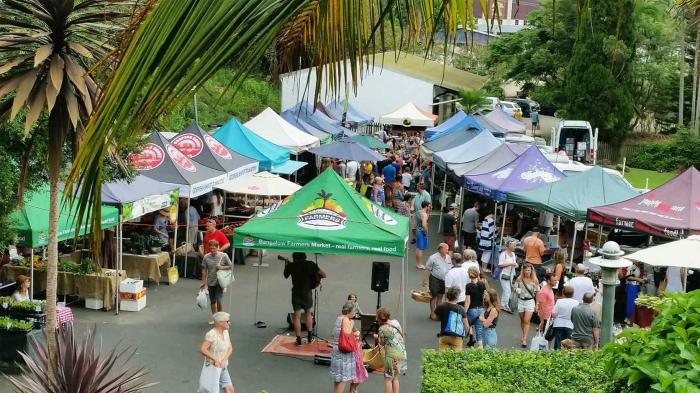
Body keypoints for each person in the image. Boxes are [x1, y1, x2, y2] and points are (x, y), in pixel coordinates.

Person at [283, 252, 327, 345]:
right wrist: (316, 279)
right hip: (307, 292)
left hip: (296, 293)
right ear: (304, 256)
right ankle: (310, 337)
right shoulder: (310, 264)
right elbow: (324, 274)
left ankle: (298, 339)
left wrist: (286, 264)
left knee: (297, 316)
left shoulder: (291, 265)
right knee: (308, 314)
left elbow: (285, 275)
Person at [330, 302, 364, 393]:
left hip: (336, 349)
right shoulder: (346, 320)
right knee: (343, 378)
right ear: (348, 311)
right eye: (353, 311)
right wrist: (352, 324)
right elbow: (347, 333)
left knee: (338, 378)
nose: (354, 313)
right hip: (343, 351)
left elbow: (333, 333)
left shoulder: (339, 318)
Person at [198, 311, 234, 393]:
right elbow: (202, 349)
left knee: (229, 390)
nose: (229, 323)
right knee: (212, 391)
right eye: (227, 321)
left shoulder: (226, 332)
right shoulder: (211, 334)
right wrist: (215, 359)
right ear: (220, 322)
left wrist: (224, 359)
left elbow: (230, 348)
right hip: (213, 367)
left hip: (223, 367)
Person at [200, 240, 233, 324]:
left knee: (219, 300)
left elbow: (231, 266)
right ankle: (215, 318)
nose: (212, 250)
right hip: (211, 282)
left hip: (220, 282)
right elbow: (204, 270)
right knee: (212, 301)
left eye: (214, 248)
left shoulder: (224, 255)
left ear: (218, 247)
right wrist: (203, 282)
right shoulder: (206, 257)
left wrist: (221, 267)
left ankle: (221, 319)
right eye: (211, 248)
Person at [377, 307, 406, 393]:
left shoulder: (382, 329)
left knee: (388, 379)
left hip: (391, 356)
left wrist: (376, 338)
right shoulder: (396, 323)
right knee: (395, 378)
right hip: (401, 353)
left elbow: (381, 343)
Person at [431, 286, 469, 351]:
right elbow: (466, 325)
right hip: (456, 336)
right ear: (457, 297)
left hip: (444, 335)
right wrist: (467, 334)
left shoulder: (441, 306)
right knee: (456, 358)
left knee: (442, 357)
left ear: (447, 296)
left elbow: (435, 317)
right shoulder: (461, 309)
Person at [422, 243, 452, 315]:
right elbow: (427, 269)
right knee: (433, 296)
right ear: (441, 249)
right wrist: (424, 281)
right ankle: (432, 313)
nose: (447, 251)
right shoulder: (433, 258)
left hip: (444, 280)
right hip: (435, 279)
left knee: (440, 297)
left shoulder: (448, 257)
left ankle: (438, 312)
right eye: (446, 249)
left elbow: (450, 267)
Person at [514, 264, 539, 347]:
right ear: (523, 271)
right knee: (522, 320)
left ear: (531, 271)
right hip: (521, 301)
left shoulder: (535, 280)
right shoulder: (519, 279)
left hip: (530, 301)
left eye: (529, 270)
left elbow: (537, 292)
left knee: (526, 321)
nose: (528, 272)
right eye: (526, 270)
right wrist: (517, 289)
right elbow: (514, 287)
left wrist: (537, 304)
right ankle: (524, 334)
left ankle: (524, 339)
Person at [463, 267, 487, 348]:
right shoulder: (482, 284)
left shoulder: (468, 286)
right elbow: (484, 296)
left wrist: (464, 311)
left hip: (472, 309)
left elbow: (467, 301)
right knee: (479, 328)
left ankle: (471, 339)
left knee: (469, 324)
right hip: (481, 308)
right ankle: (480, 346)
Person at [536, 272, 557, 346]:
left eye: (556, 280)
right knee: (545, 338)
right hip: (545, 318)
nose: (556, 282)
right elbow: (541, 307)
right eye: (554, 280)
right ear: (549, 281)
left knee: (548, 337)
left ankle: (547, 350)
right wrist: (541, 322)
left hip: (548, 317)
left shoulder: (550, 289)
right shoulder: (544, 292)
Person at [498, 240, 518, 313]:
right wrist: (510, 264)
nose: (515, 247)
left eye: (515, 245)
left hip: (511, 274)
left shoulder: (513, 254)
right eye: (513, 245)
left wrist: (515, 265)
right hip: (504, 274)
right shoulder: (503, 254)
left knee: (506, 290)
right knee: (507, 291)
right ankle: (505, 305)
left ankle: (502, 304)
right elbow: (500, 264)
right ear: (508, 246)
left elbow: (514, 263)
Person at [415, 201, 430, 269]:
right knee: (421, 248)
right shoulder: (424, 214)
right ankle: (420, 264)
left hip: (418, 230)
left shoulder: (418, 212)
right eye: (429, 206)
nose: (430, 207)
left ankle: (417, 263)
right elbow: (424, 225)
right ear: (426, 206)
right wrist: (426, 232)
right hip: (422, 231)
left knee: (418, 248)